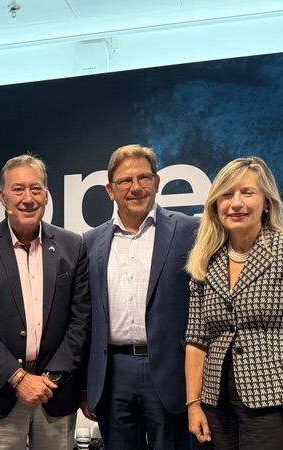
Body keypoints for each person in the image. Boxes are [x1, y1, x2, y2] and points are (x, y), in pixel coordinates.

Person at [183, 156, 283, 450]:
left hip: (275, 404)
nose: (236, 203)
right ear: (215, 205)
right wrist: (193, 404)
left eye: (247, 193)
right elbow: (196, 340)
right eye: (226, 195)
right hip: (217, 408)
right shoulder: (205, 260)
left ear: (266, 202)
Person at [0, 154, 91, 450]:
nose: (28, 198)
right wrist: (18, 378)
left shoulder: (73, 246)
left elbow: (81, 321)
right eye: (18, 189)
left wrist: (50, 378)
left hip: (55, 391)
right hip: (0, 393)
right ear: (2, 197)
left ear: (47, 195)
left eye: (36, 189)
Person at [83, 145, 198, 450]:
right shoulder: (90, 242)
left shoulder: (190, 231)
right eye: (125, 181)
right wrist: (84, 386)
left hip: (170, 372)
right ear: (110, 190)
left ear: (157, 182)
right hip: (113, 373)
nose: (135, 188)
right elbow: (84, 317)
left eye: (144, 178)